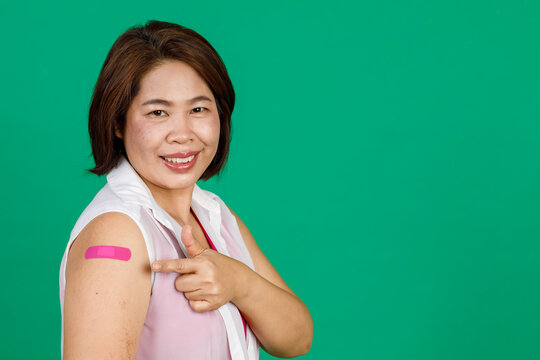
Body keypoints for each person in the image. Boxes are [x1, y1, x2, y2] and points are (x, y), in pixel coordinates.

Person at [59, 20, 313, 359]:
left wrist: (239, 283)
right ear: (117, 122)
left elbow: (296, 339)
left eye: (198, 109)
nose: (182, 134)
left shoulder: (213, 214)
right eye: (158, 112)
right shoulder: (116, 235)